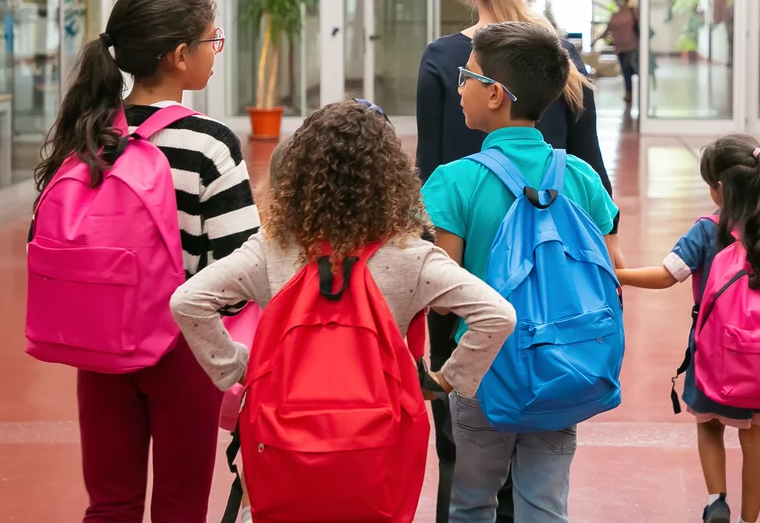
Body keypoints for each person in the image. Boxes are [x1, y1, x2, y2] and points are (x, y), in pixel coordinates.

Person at [170, 99, 517, 521]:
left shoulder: (272, 251)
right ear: (389, 180)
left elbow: (188, 302)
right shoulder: (411, 257)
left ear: (298, 175)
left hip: (282, 448)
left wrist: (240, 369)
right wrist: (446, 380)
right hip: (374, 453)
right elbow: (497, 315)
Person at [415, 0, 622, 523]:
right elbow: (595, 178)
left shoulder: (445, 62)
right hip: (557, 317)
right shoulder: (561, 60)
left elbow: (429, 169)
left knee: (467, 472)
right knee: (543, 482)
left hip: (471, 296)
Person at [33, 0, 260, 523]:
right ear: (180, 56)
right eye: (212, 40)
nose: (216, 51)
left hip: (99, 344)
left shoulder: (87, 132)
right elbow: (240, 269)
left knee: (110, 503)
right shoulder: (209, 143)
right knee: (180, 505)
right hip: (183, 349)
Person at [615, 133, 760, 523]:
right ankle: (749, 519)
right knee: (756, 436)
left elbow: (667, 276)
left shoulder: (708, 230)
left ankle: (717, 500)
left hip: (716, 351)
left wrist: (619, 275)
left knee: (709, 423)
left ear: (720, 190)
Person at [593, 0, 640, 103]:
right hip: (619, 47)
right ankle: (629, 92)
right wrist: (596, 40)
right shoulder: (615, 15)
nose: (619, 1)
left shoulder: (633, 12)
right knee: (625, 70)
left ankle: (631, 92)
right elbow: (608, 29)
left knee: (629, 69)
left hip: (632, 46)